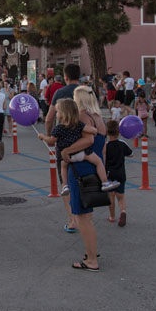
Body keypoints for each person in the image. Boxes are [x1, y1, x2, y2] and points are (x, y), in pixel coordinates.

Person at [64, 85, 109, 271]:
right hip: (93, 168)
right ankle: (91, 252)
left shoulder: (83, 117)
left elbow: (87, 141)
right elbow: (102, 148)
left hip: (80, 169)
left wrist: (66, 150)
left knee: (82, 216)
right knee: (86, 215)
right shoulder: (100, 119)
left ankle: (91, 259)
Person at [38, 99, 118, 196]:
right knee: (98, 162)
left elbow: (51, 141)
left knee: (63, 167)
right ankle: (105, 182)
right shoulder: (79, 124)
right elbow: (93, 130)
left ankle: (65, 185)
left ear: (63, 114)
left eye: (58, 111)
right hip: (82, 153)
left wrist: (42, 137)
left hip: (67, 156)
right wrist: (94, 130)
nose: (56, 113)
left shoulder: (58, 129)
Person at [104, 120, 132, 227]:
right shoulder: (122, 144)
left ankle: (112, 216)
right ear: (119, 132)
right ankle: (123, 212)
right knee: (121, 196)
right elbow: (131, 154)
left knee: (111, 195)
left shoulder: (105, 145)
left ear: (106, 132)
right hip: (121, 173)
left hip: (109, 174)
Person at [45, 64, 81, 136]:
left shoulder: (60, 92)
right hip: (83, 133)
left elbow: (49, 119)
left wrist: (49, 135)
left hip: (64, 134)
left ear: (66, 77)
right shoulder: (88, 91)